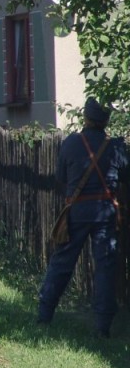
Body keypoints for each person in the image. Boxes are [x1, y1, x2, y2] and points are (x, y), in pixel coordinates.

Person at [38, 97, 126, 338]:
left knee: (62, 262)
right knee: (105, 267)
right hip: (106, 212)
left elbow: (62, 178)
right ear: (104, 122)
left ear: (86, 119)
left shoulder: (71, 143)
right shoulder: (116, 146)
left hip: (77, 211)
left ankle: (44, 314)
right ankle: (102, 326)